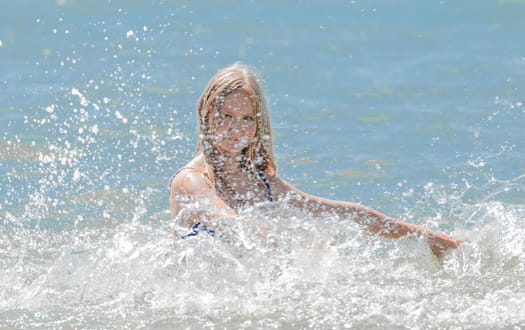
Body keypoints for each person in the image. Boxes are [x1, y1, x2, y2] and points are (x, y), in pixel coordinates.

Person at [169, 62, 462, 258]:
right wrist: (300, 249)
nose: (236, 129)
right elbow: (233, 226)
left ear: (258, 124)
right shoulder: (192, 181)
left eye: (246, 118)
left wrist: (434, 241)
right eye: (226, 117)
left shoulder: (263, 184)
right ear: (207, 115)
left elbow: (350, 213)